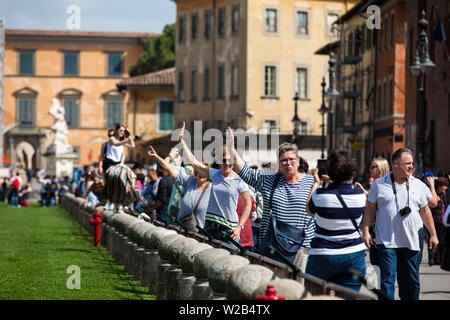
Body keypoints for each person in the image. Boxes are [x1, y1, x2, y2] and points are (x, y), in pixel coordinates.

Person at [228, 127, 315, 270]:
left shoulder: (311, 182)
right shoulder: (269, 179)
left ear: (298, 161)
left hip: (302, 248)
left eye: (291, 159)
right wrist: (232, 148)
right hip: (272, 246)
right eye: (284, 160)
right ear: (279, 164)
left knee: (297, 288)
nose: (288, 163)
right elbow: (245, 171)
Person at [362, 148, 439, 300]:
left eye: (412, 163)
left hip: (411, 242)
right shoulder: (379, 184)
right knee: (387, 281)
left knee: (410, 282)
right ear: (396, 164)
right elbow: (370, 210)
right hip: (386, 241)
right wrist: (365, 231)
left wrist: (433, 235)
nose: (412, 167)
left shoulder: (418, 185)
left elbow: (426, 212)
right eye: (407, 163)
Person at [177, 122, 252, 245]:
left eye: (230, 160)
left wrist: (240, 227)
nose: (227, 163)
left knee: (230, 263)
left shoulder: (239, 180)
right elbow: (194, 162)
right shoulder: (214, 174)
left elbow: (248, 205)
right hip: (209, 227)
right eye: (224, 160)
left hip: (229, 230)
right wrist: (182, 142)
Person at [305, 149, 367, 292]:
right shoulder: (360, 196)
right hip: (353, 255)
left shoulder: (320, 195)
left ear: (330, 171)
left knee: (316, 295)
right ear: (352, 172)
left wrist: (316, 184)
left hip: (322, 255)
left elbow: (309, 210)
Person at [147, 145, 211, 231]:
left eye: (204, 172)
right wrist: (157, 157)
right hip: (184, 223)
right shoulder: (190, 180)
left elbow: (166, 167)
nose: (201, 173)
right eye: (199, 171)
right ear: (196, 172)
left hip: (201, 230)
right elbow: (169, 168)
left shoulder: (212, 188)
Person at [428, 177, 448, 265]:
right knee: (432, 239)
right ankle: (431, 257)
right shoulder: (434, 195)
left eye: (445, 186)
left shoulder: (446, 196)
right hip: (434, 220)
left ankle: (438, 258)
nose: (444, 188)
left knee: (440, 240)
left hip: (442, 221)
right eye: (442, 186)